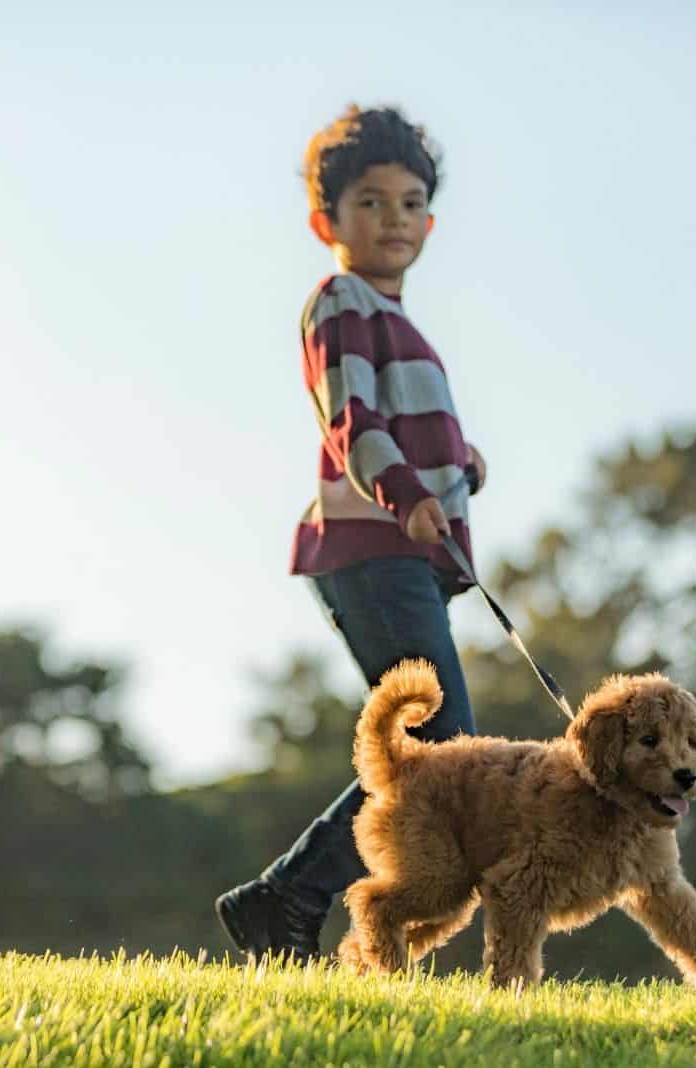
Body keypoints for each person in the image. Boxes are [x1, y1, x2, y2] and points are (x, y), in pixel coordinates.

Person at [214, 104, 488, 960]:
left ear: (431, 223)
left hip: (403, 550)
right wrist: (405, 487)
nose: (393, 220)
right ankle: (287, 896)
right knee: (442, 745)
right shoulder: (342, 301)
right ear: (325, 221)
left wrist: (461, 466)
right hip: (370, 546)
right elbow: (351, 418)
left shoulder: (403, 325)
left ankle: (285, 902)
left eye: (410, 204)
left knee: (437, 747)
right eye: (370, 202)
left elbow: (401, 419)